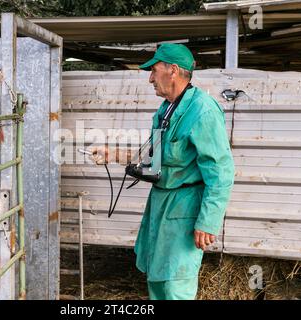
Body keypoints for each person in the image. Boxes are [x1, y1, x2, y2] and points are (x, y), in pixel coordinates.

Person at [90, 43, 235, 300]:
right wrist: (113, 154)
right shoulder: (165, 110)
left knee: (175, 286)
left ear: (173, 71)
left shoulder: (203, 110)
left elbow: (221, 171)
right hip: (161, 204)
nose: (150, 79)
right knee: (156, 280)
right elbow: (156, 159)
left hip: (185, 208)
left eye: (154, 71)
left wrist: (208, 221)